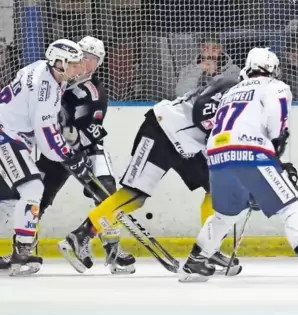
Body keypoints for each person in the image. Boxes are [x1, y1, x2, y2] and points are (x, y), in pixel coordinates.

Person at [178, 48, 298, 284]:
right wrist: (277, 159)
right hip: (251, 153)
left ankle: (195, 262)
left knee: (224, 215)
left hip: (216, 155)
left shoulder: (231, 91)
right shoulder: (276, 86)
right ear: (273, 68)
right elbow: (276, 127)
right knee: (290, 206)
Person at [66, 77, 241, 275]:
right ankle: (82, 235)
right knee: (135, 194)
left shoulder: (252, 103)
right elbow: (202, 110)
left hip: (187, 146)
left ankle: (209, 248)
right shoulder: (233, 88)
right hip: (162, 129)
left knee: (216, 187)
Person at [0, 39, 91, 276]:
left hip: (12, 134)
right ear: (58, 62)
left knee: (8, 201)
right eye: (72, 64)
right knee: (32, 189)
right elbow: (46, 134)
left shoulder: (42, 68)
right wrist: (69, 156)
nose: (77, 68)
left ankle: (19, 250)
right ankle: (22, 253)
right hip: (5, 136)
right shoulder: (46, 88)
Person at [175, 34, 240, 97]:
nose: (210, 53)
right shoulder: (187, 70)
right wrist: (199, 69)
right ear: (200, 49)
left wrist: (215, 74)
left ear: (221, 49)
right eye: (206, 49)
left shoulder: (234, 70)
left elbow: (233, 94)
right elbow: (181, 95)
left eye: (214, 49)